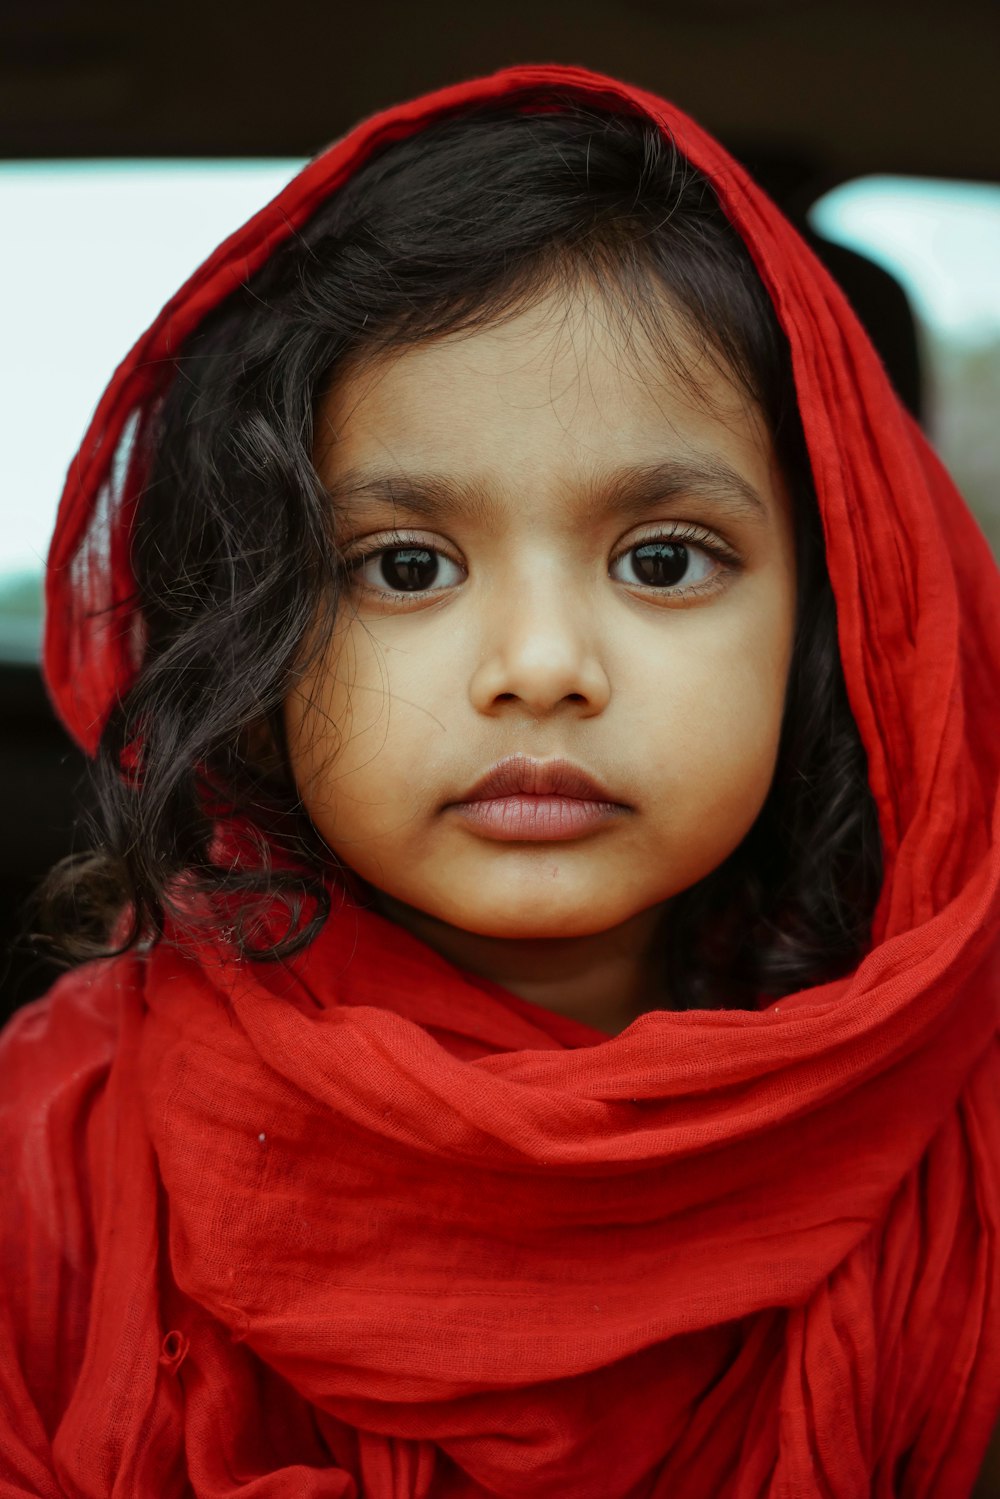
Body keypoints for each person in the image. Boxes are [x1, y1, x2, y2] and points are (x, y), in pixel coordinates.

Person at [1, 61, 997, 1498]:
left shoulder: (962, 1157)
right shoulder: (62, 1148)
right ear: (257, 636)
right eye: (405, 568)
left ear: (832, 632)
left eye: (664, 560)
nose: (539, 665)